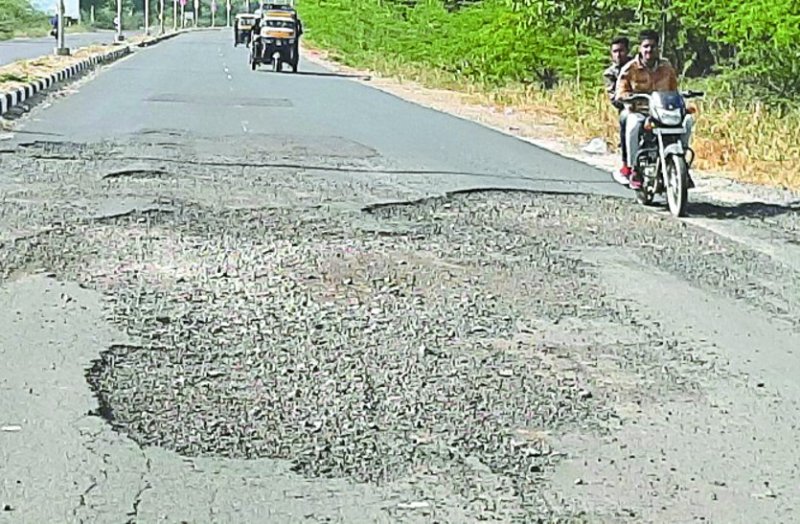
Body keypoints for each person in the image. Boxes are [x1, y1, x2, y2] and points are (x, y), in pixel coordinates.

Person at [616, 29, 695, 189]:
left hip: (663, 113)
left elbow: (674, 90)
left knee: (687, 122)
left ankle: (681, 162)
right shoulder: (630, 69)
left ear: (658, 48)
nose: (649, 50)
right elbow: (620, 91)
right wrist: (628, 97)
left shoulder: (666, 67)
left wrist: (682, 103)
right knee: (632, 124)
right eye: (646, 46)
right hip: (641, 112)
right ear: (640, 48)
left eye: (652, 46)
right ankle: (634, 170)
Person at [602, 36, 632, 184]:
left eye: (621, 51)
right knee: (625, 121)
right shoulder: (610, 73)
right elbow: (614, 98)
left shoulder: (638, 66)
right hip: (629, 108)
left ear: (628, 51)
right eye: (615, 51)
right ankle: (627, 165)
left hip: (650, 107)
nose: (618, 55)